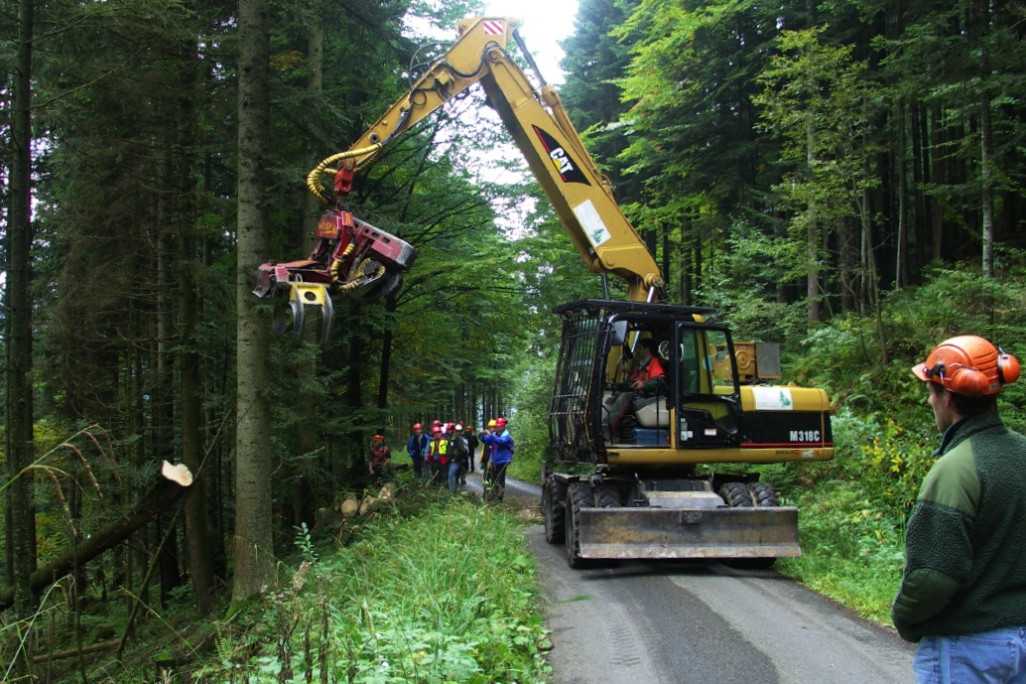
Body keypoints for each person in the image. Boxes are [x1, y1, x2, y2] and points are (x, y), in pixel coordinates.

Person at [893, 335, 1026, 683]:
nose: (929, 400)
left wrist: (905, 620)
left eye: (931, 391)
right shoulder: (1022, 453)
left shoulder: (955, 469)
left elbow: (934, 577)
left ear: (948, 397)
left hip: (965, 649)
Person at [606, 338, 667, 436]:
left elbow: (659, 381)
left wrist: (644, 385)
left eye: (639, 348)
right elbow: (631, 381)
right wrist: (615, 386)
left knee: (625, 396)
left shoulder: (654, 363)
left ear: (646, 350)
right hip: (641, 394)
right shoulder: (640, 364)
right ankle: (615, 428)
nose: (637, 351)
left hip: (650, 396)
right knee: (615, 395)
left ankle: (609, 424)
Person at [481, 417, 514, 502]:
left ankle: (499, 499)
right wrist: (482, 435)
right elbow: (486, 440)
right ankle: (494, 496)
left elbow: (500, 442)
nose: (497, 428)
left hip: (503, 461)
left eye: (499, 426)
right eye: (496, 426)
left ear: (503, 426)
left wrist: (490, 435)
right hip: (495, 462)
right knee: (494, 480)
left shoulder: (507, 436)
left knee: (500, 480)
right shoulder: (495, 435)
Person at [447, 424, 470, 492]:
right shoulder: (452, 438)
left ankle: (452, 490)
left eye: (459, 431)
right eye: (456, 431)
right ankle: (454, 489)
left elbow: (462, 450)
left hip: (457, 460)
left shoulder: (459, 439)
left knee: (451, 474)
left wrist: (455, 458)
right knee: (455, 475)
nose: (458, 432)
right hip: (451, 460)